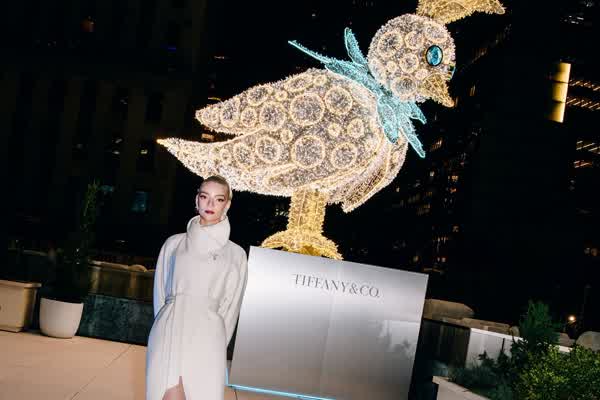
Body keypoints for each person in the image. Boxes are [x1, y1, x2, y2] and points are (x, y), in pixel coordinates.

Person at [146, 175, 248, 400]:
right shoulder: (174, 244)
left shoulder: (236, 254)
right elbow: (160, 293)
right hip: (170, 327)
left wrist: (218, 342)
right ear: (197, 199)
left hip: (208, 335)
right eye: (204, 196)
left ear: (227, 204)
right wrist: (164, 323)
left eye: (219, 199)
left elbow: (231, 307)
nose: (210, 204)